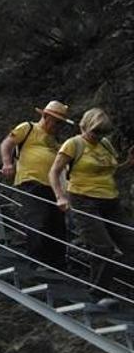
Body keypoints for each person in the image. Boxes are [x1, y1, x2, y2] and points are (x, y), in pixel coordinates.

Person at [48, 108, 134, 294]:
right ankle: (98, 291)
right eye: (95, 131)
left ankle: (123, 286)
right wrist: (60, 197)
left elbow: (110, 171)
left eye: (103, 132)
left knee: (130, 240)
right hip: (83, 199)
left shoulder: (106, 145)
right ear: (85, 126)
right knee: (103, 248)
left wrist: (128, 163)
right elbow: (54, 172)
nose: (98, 135)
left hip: (111, 200)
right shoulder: (73, 144)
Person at [0, 100, 73, 269]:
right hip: (30, 181)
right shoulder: (28, 128)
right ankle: (37, 261)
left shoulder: (55, 140)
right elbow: (7, 144)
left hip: (54, 187)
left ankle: (58, 264)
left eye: (61, 123)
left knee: (57, 224)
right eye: (57, 121)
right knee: (38, 219)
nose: (59, 126)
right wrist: (7, 163)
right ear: (46, 116)